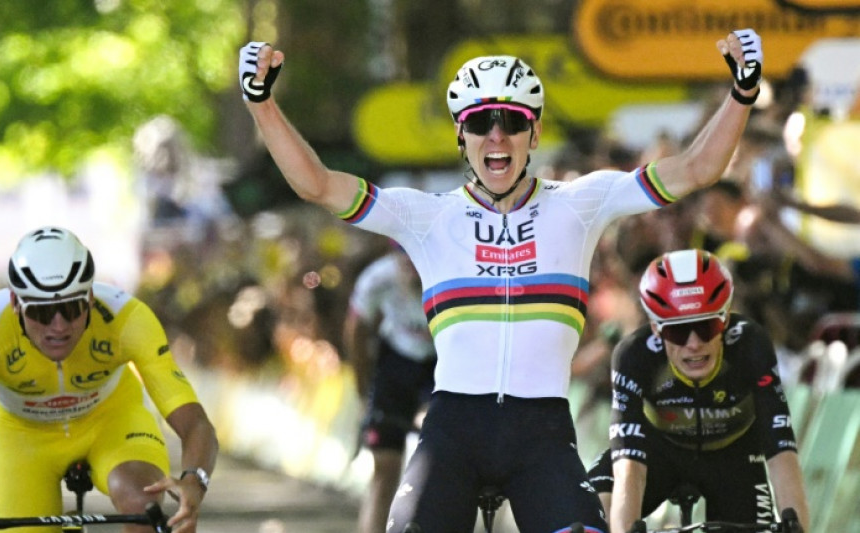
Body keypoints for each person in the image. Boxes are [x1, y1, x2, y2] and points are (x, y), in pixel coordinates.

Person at [239, 28, 765, 532]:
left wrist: (742, 92)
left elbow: (697, 169)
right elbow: (317, 185)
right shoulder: (426, 215)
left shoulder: (581, 202)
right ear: (460, 135)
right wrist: (261, 103)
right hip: (452, 432)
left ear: (534, 132)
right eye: (480, 122)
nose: (496, 135)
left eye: (511, 121)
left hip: (542, 434)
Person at [0, 226, 219, 533]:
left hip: (110, 420)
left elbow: (195, 423)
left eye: (71, 308)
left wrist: (194, 482)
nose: (59, 326)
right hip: (22, 434)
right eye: (42, 312)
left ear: (90, 298)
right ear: (15, 303)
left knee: (140, 504)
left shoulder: (128, 319)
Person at [586, 249, 810, 533]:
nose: (694, 344)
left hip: (733, 456)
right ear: (656, 328)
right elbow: (629, 465)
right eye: (678, 331)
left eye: (706, 327)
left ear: (726, 318)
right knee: (594, 512)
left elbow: (781, 451)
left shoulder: (750, 345)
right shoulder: (634, 355)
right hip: (657, 453)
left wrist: (797, 525)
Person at [343, 246, 437, 533]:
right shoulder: (379, 277)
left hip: (440, 362)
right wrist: (363, 393)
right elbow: (356, 332)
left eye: (418, 261)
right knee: (385, 468)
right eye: (405, 261)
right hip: (395, 361)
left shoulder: (452, 268)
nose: (412, 269)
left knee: (440, 467)